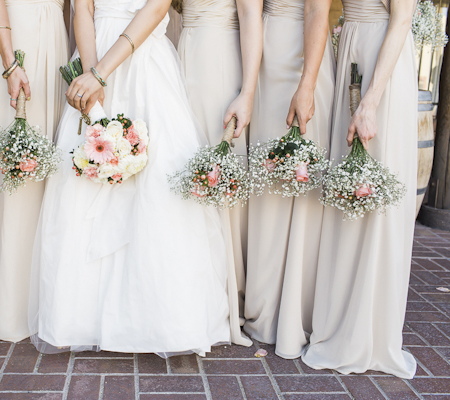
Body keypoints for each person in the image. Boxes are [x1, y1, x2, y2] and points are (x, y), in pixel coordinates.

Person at [28, 0, 232, 355]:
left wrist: (101, 73)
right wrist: (91, 82)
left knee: (158, 188)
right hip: (97, 61)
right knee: (88, 178)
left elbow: (154, 11)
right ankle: (81, 318)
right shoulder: (93, 71)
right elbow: (84, 11)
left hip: (144, 61)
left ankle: (162, 320)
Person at [302, 0, 418, 379]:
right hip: (352, 48)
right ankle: (339, 321)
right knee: (347, 193)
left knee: (373, 196)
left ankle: (367, 332)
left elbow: (402, 18)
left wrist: (370, 100)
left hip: (380, 63)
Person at [243, 0, 335, 359]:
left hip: (302, 58)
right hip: (265, 56)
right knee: (267, 188)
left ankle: (295, 311)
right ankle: (263, 306)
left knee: (299, 186)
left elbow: (316, 11)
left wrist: (308, 83)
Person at [177, 0, 262, 345]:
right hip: (183, 51)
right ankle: (189, 287)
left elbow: (249, 14)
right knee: (186, 172)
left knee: (215, 176)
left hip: (218, 58)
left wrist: (248, 92)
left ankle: (223, 294)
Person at [0, 0, 69, 342]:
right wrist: (9, 64)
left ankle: (45, 300)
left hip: (55, 38)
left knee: (51, 170)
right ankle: (13, 308)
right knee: (20, 176)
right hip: (19, 42)